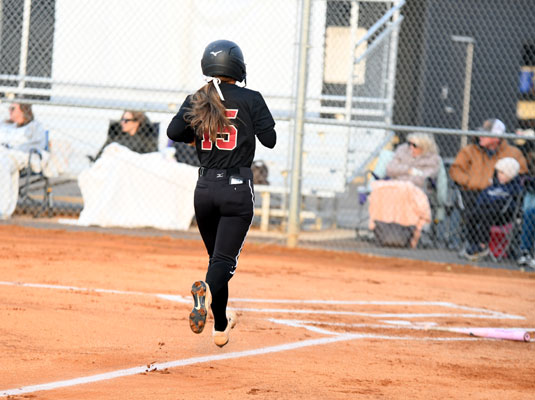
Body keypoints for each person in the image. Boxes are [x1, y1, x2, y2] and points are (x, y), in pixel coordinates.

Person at [167, 40, 276, 347]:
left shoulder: (199, 97)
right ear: (238, 67)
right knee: (223, 262)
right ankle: (204, 291)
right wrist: (249, 122)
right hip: (236, 189)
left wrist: (199, 133)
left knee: (217, 260)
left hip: (204, 190)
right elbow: (270, 140)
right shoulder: (251, 98)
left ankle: (220, 326)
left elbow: (174, 133)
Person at [449, 118, 528, 254]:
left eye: (485, 134)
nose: (480, 136)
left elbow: (521, 174)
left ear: (496, 138)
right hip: (473, 192)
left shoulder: (513, 153)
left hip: (500, 196)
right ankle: (474, 245)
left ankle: (482, 245)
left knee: (489, 211)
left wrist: (502, 182)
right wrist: (470, 181)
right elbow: (455, 170)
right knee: (471, 212)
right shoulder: (469, 150)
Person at [461, 157, 524, 261]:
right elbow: (481, 199)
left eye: (503, 173)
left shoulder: (514, 188)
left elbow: (510, 205)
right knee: (470, 215)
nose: (499, 175)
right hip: (486, 210)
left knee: (486, 215)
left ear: (510, 174)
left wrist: (492, 204)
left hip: (502, 215)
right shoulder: (493, 186)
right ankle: (473, 243)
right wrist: (485, 204)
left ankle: (482, 245)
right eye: (498, 172)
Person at [0, 102, 47, 219]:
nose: (9, 111)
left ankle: (3, 209)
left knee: (3, 165)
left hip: (20, 157)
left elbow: (37, 146)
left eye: (13, 109)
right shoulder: (5, 125)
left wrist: (11, 149)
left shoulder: (34, 127)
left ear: (23, 111)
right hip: (4, 154)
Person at [90, 110, 158, 161]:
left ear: (136, 122)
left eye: (126, 120)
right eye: (122, 120)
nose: (122, 123)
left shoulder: (146, 141)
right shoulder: (116, 138)